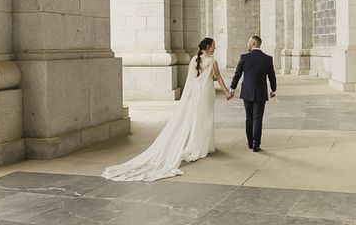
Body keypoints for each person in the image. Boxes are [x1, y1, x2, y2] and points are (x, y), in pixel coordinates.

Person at [102, 37, 233, 181]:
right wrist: (226, 91)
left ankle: (198, 145)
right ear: (208, 47)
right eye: (214, 45)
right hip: (206, 92)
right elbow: (219, 77)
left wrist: (188, 97)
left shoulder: (194, 59)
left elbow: (191, 80)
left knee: (197, 118)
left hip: (196, 93)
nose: (215, 47)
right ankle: (202, 147)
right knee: (205, 118)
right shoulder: (212, 61)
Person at [229, 35, 277, 152]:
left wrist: (232, 88)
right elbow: (272, 76)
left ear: (254, 43)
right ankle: (257, 144)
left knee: (249, 118)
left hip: (247, 92)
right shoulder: (268, 59)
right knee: (258, 118)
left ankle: (250, 143)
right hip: (261, 92)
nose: (247, 44)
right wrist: (273, 89)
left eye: (249, 42)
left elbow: (237, 74)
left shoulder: (244, 57)